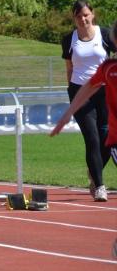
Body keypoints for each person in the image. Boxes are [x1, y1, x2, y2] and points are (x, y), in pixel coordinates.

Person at [51, 21, 117, 201]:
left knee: (106, 139)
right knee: (93, 138)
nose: (83, 19)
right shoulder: (107, 68)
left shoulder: (103, 37)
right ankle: (99, 185)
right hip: (83, 94)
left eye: (86, 15)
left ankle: (94, 171)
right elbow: (83, 83)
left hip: (105, 100)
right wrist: (68, 113)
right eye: (79, 16)